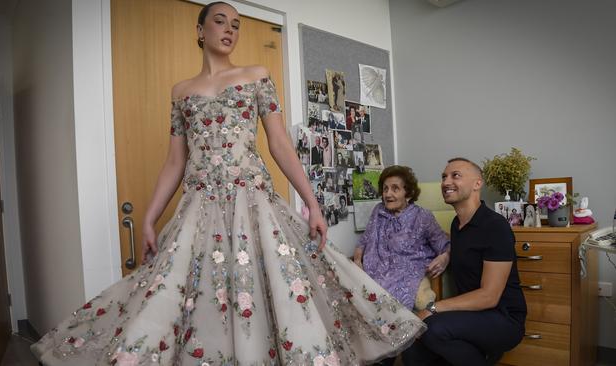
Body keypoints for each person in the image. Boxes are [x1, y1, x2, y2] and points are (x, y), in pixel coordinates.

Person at [31, 3, 424, 364]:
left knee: (283, 288)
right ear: (200, 30)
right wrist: (150, 218)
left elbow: (280, 143)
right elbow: (174, 161)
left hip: (253, 202)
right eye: (220, 21)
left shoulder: (256, 76)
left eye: (236, 25)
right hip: (199, 206)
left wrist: (313, 204)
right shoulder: (180, 92)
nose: (230, 29)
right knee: (177, 295)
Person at [402, 158, 526, 366]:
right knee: (412, 353)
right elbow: (463, 248)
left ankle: (486, 354)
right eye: (444, 177)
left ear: (477, 184)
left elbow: (489, 296)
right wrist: (446, 254)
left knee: (431, 329)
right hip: (469, 316)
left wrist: (432, 309)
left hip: (503, 318)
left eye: (455, 175)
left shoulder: (495, 226)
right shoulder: (456, 225)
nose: (446, 182)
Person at [354, 165, 451, 366]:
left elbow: (444, 243)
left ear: (408, 193)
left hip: (407, 271)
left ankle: (384, 356)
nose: (388, 194)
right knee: (356, 294)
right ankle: (371, 355)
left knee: (388, 296)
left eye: (395, 188)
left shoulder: (422, 216)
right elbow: (364, 241)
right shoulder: (378, 211)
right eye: (385, 189)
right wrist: (357, 261)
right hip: (375, 268)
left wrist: (445, 257)